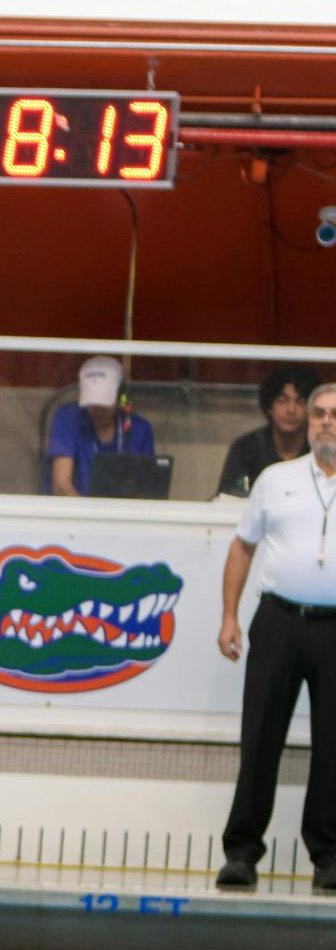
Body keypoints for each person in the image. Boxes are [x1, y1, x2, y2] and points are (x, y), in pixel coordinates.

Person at [214, 383, 336, 893]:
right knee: (260, 739)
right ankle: (241, 854)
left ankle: (329, 857)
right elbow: (243, 548)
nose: (326, 422)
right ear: (307, 423)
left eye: (335, 415)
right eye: (319, 414)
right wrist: (229, 616)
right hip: (278, 621)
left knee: (334, 746)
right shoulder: (275, 479)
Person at [48, 355, 155, 496]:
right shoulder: (68, 418)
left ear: (120, 398)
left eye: (104, 405)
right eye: (91, 404)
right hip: (76, 513)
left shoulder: (140, 429)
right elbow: (61, 485)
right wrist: (89, 516)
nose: (98, 411)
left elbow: (147, 489)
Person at [219, 364, 321, 497]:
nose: (291, 409)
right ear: (269, 407)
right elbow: (227, 497)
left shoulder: (320, 449)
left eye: (300, 401)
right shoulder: (246, 448)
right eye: (282, 400)